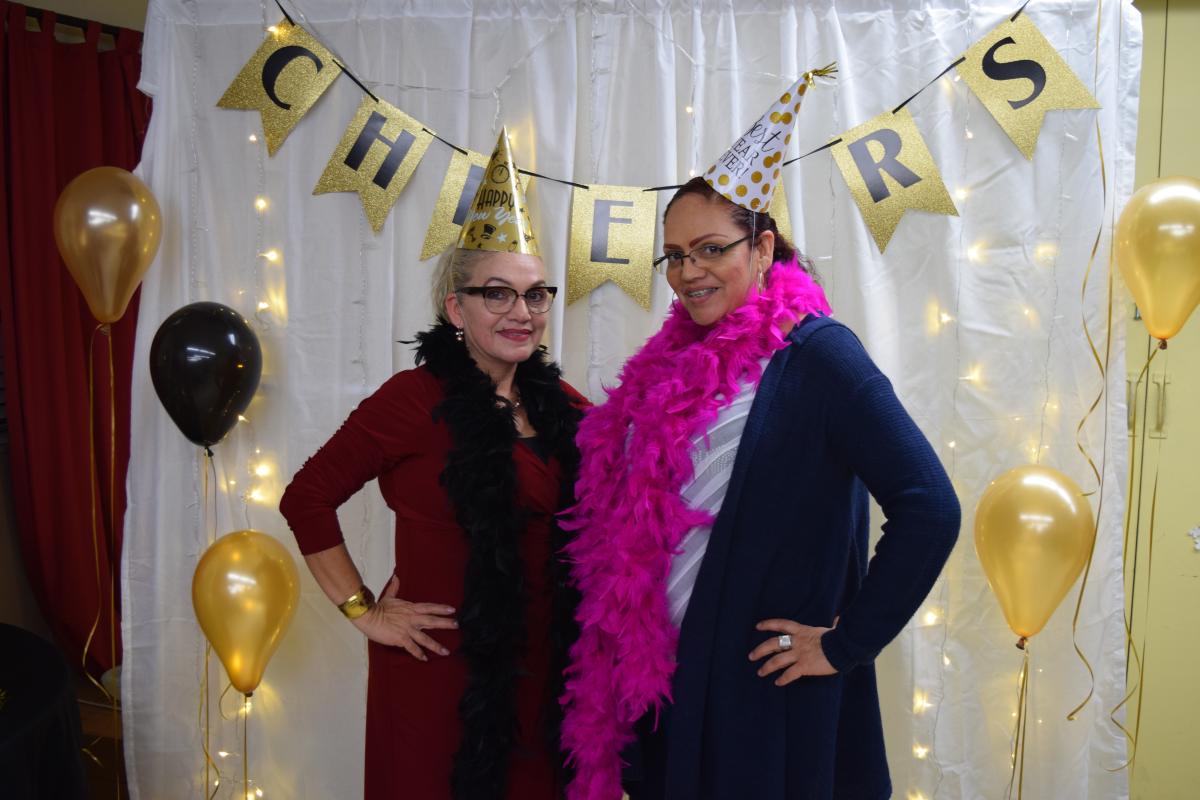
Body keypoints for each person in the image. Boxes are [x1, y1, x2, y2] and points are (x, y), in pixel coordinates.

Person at [559, 77, 960, 800]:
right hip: (668, 688)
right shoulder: (667, 367)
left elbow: (930, 504)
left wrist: (844, 643)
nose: (688, 272)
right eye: (674, 255)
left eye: (710, 249)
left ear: (764, 245)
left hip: (762, 698)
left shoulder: (820, 356)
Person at [280, 129, 585, 800]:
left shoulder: (564, 404)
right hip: (439, 672)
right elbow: (306, 498)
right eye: (497, 294)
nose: (522, 313)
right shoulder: (412, 401)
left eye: (536, 295)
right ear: (456, 308)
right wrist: (363, 610)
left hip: (543, 674)